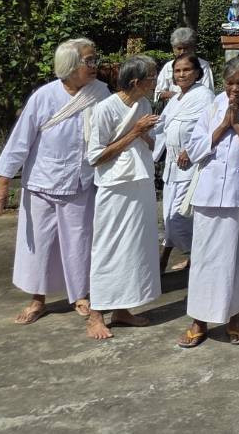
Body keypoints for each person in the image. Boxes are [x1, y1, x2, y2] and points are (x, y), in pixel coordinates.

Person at [0, 38, 109, 324]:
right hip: (42, 181)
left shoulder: (101, 93)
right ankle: (38, 299)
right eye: (89, 61)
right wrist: (4, 180)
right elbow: (21, 140)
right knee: (39, 243)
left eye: (95, 60)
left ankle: (80, 295)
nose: (95, 66)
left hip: (81, 180)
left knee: (79, 240)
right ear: (70, 66)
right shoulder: (43, 97)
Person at [178, 54, 239, 347]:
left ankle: (235, 317)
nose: (235, 89)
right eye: (231, 83)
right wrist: (223, 125)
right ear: (223, 82)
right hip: (210, 194)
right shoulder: (213, 107)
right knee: (206, 259)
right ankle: (199, 320)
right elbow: (195, 150)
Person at [84, 55, 162, 340]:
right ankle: (96, 314)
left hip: (139, 181)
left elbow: (147, 142)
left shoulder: (143, 104)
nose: (156, 81)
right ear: (136, 82)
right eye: (152, 77)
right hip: (114, 186)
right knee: (109, 246)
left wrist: (148, 136)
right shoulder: (104, 109)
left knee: (135, 247)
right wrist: (136, 132)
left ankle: (122, 309)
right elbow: (95, 157)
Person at [153, 54, 214, 272]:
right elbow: (161, 127)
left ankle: (204, 260)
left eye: (186, 70)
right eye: (177, 71)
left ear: (198, 72)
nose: (181, 74)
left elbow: (210, 129)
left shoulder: (205, 96)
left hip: (191, 165)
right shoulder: (176, 98)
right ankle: (194, 259)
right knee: (169, 218)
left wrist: (190, 150)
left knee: (180, 218)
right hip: (171, 166)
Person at [154, 26, 215, 99]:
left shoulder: (203, 65)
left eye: (186, 48)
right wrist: (174, 96)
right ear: (173, 48)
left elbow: (208, 92)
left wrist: (186, 97)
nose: (182, 52)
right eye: (179, 48)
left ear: (193, 47)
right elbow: (158, 94)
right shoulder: (168, 66)